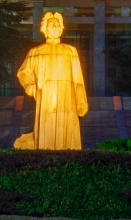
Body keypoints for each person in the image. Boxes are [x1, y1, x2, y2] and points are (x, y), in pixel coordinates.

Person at [13, 13, 87, 152]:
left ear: (61, 28)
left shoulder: (71, 51)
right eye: (51, 24)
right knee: (46, 129)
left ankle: (70, 157)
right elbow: (23, 72)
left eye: (57, 25)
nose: (55, 27)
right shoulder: (35, 52)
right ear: (45, 29)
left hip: (67, 94)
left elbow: (78, 79)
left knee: (68, 131)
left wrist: (81, 100)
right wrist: (31, 87)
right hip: (46, 94)